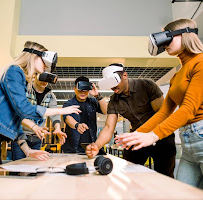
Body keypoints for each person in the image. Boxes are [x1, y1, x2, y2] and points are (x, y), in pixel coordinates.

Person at [0, 41, 80, 175]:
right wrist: (60, 110)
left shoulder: (21, 80)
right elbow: (24, 109)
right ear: (33, 56)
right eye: (44, 61)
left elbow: (16, 120)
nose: (46, 66)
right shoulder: (14, 71)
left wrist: (28, 151)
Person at [115, 19, 203, 188]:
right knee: (180, 193)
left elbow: (188, 109)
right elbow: (163, 112)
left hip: (200, 135)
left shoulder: (200, 62)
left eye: (168, 37)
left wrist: (153, 136)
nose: (165, 44)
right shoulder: (176, 76)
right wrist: (136, 135)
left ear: (185, 35)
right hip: (189, 145)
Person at [86, 63, 176, 177]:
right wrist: (97, 146)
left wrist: (147, 134)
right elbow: (109, 128)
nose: (113, 87)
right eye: (110, 84)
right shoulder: (114, 101)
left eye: (115, 81)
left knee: (165, 177)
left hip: (161, 137)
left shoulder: (146, 85)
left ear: (125, 75)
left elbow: (163, 114)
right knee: (129, 172)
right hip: (137, 139)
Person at [12, 76, 66, 160]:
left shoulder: (50, 96)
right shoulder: (24, 90)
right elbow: (18, 113)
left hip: (37, 138)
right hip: (21, 136)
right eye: (43, 77)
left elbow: (54, 113)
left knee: (34, 167)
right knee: (18, 167)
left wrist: (58, 128)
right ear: (35, 75)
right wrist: (34, 127)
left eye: (48, 79)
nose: (45, 81)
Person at [62, 76, 108, 153]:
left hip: (91, 146)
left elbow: (106, 111)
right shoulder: (68, 104)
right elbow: (67, 118)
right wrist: (77, 125)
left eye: (85, 90)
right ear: (74, 89)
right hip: (73, 147)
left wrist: (97, 95)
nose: (83, 93)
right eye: (80, 90)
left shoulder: (93, 102)